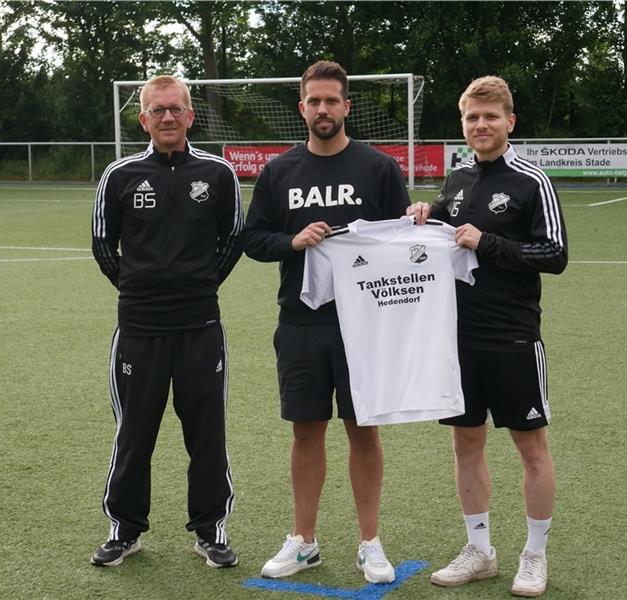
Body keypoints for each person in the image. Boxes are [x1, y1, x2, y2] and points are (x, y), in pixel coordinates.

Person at [242, 60, 410, 584]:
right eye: (313, 101)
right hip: (301, 322)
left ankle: (369, 543)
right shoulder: (279, 172)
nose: (322, 109)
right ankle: (305, 541)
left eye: (331, 101)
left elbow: (403, 240)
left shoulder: (379, 168)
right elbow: (252, 239)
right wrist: (292, 241)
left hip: (364, 325)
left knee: (364, 430)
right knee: (306, 430)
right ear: (301, 108)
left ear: (346, 107)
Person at [408, 75, 567, 597]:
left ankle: (534, 555)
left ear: (509, 121)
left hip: (513, 336)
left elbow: (556, 255)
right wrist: (427, 214)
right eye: (472, 118)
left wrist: (489, 243)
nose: (481, 125)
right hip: (457, 338)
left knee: (531, 447)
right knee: (465, 442)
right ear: (463, 123)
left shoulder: (531, 181)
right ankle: (480, 550)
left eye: (490, 117)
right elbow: (447, 232)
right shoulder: (456, 179)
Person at [90, 75, 243, 569]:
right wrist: (139, 289)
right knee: (134, 434)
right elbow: (102, 244)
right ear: (143, 120)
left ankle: (210, 530)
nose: (168, 118)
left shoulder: (217, 174)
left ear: (191, 115)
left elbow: (232, 240)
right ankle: (124, 530)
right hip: (139, 330)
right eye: (158, 111)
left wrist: (198, 286)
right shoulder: (120, 175)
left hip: (201, 327)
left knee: (207, 434)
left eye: (176, 109)